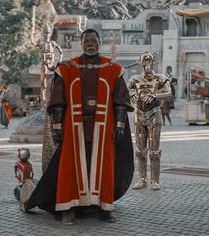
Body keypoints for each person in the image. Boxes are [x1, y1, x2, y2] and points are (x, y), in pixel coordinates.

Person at [24, 28, 134, 225]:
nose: (90, 43)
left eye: (93, 40)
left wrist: (119, 125)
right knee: (70, 169)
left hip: (103, 128)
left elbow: (120, 101)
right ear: (81, 43)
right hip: (74, 128)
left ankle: (103, 208)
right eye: (86, 40)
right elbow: (57, 102)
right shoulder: (67, 69)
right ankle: (68, 208)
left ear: (99, 42)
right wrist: (57, 127)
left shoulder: (113, 69)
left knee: (103, 169)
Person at [128, 51, 172, 191]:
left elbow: (169, 94)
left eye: (150, 61)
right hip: (139, 114)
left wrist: (155, 95)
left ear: (154, 63)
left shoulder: (161, 78)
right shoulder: (134, 79)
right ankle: (142, 179)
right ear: (140, 63)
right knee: (140, 150)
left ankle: (155, 181)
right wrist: (134, 96)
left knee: (154, 151)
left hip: (154, 114)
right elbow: (127, 91)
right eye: (144, 61)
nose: (147, 64)